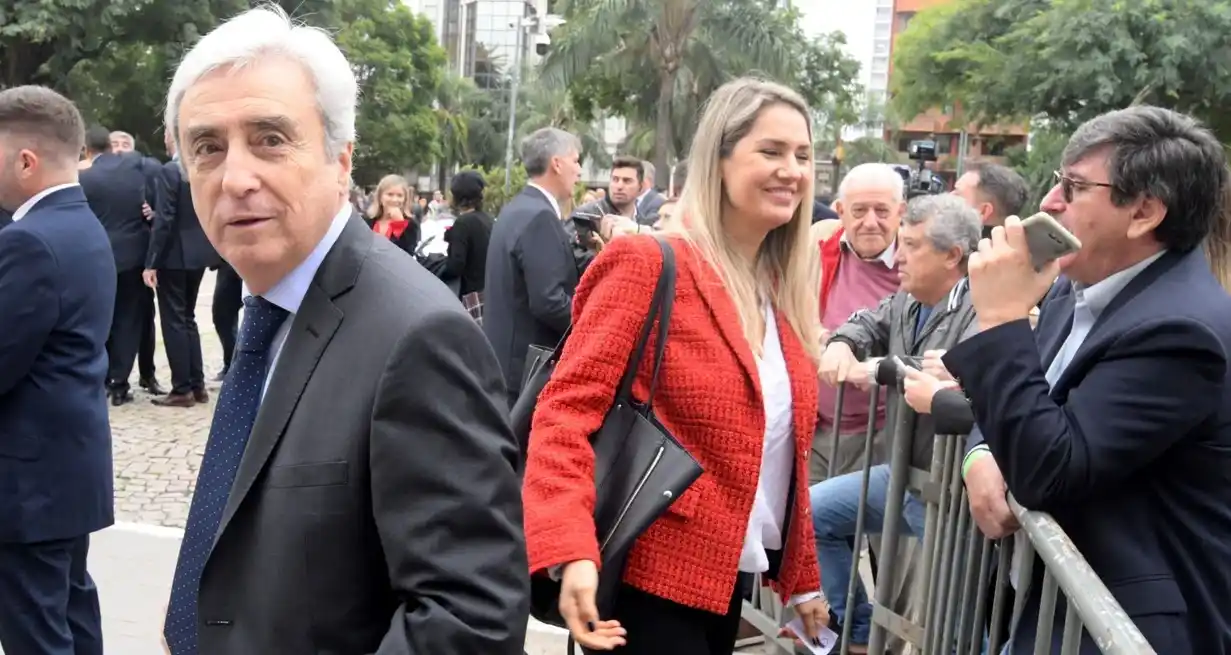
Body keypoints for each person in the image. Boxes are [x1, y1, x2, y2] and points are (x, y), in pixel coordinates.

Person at [160, 7, 528, 654]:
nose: (235, 177)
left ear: (341, 160)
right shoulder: (267, 312)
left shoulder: (417, 338)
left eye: (270, 138)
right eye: (207, 147)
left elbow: (467, 620)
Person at [522, 77, 829, 654]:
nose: (792, 169)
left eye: (803, 155)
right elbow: (563, 414)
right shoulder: (648, 263)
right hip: (643, 583)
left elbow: (778, 452)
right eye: (771, 151)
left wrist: (803, 575)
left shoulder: (779, 294)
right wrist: (571, 549)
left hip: (726, 583)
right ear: (719, 159)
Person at [947, 106, 1231, 653]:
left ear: (1144, 212)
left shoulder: (1182, 330)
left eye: (1074, 188)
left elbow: (1050, 468)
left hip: (1118, 628)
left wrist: (1002, 322)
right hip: (1042, 608)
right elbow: (1020, 399)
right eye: (1058, 180)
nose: (1050, 203)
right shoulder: (1069, 289)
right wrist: (978, 452)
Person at [0, 86, 116, 655]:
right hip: (68, 467)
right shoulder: (83, 225)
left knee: (36, 635)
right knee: (72, 613)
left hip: (27, 484)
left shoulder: (28, 239)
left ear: (25, 161)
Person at [483, 127, 583, 406]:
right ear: (557, 163)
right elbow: (549, 301)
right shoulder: (539, 216)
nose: (579, 171)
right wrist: (592, 327)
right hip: (525, 371)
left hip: (506, 363)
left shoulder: (517, 208)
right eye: (576, 161)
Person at [144, 130, 221, 407]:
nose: (164, 139)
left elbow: (165, 218)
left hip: (174, 255)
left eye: (166, 134)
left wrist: (151, 261)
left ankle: (181, 389)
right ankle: (197, 384)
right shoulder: (203, 168)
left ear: (174, 139)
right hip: (198, 253)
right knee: (188, 318)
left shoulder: (170, 170)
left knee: (174, 320)